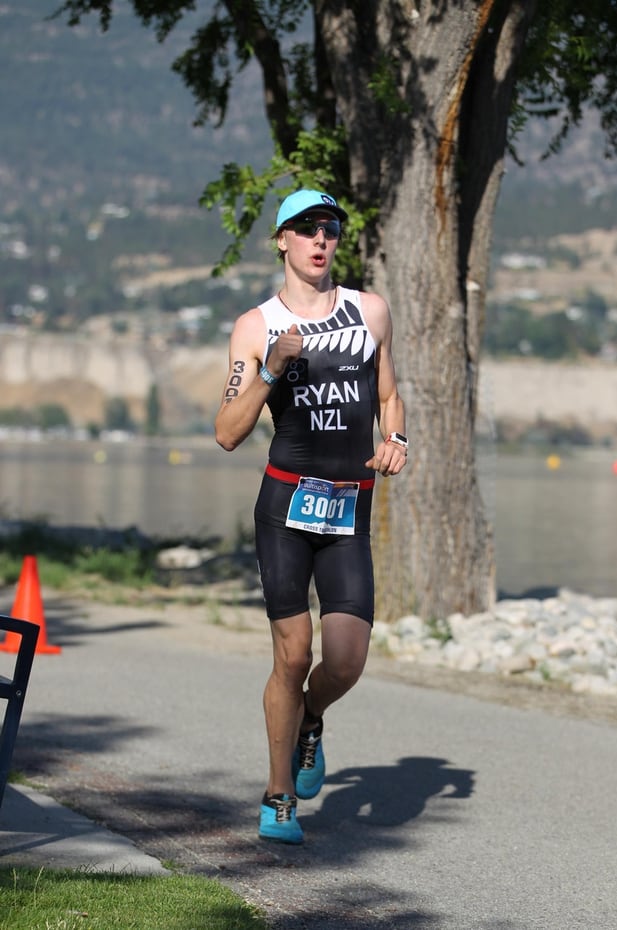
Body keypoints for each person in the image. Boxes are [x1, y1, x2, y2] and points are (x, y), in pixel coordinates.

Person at [215, 188, 407, 844]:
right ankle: (277, 798)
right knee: (293, 655)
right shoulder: (257, 325)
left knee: (346, 659)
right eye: (305, 229)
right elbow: (227, 431)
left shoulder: (370, 312)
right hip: (286, 509)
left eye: (329, 228)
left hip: (350, 506)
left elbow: (388, 395)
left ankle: (312, 718)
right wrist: (271, 368)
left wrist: (396, 439)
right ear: (282, 241)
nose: (321, 239)